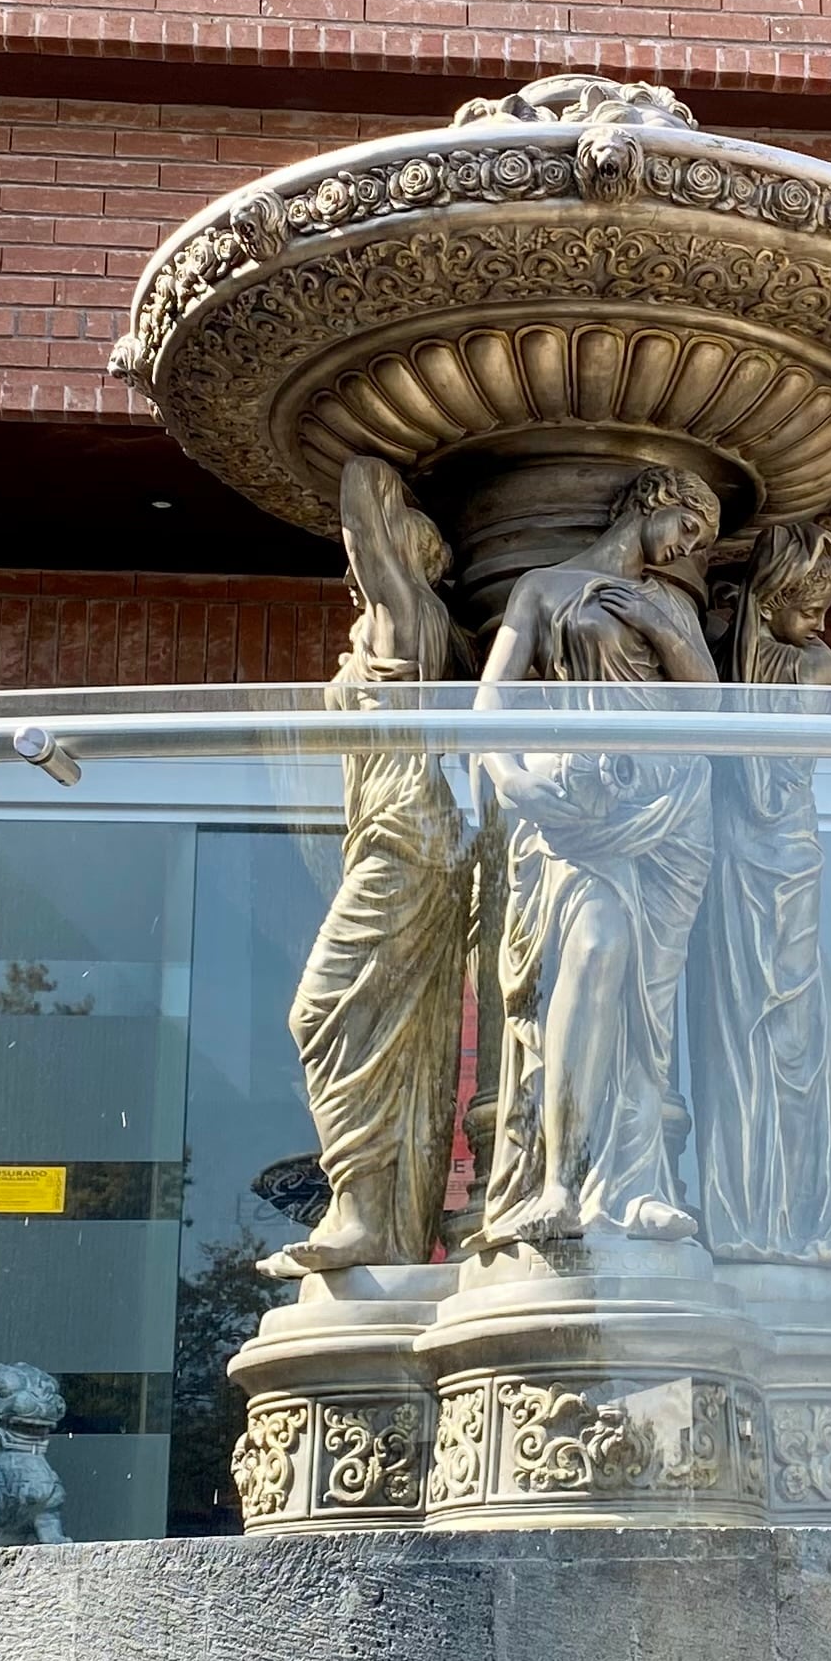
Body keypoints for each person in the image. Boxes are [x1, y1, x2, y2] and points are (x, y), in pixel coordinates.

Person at [471, 461, 724, 1249]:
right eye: (687, 524)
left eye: (702, 540)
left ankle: (638, 1184)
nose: (688, 545)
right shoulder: (544, 590)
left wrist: (652, 621)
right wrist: (510, 782)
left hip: (669, 814)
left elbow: (710, 699)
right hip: (579, 813)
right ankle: (559, 1179)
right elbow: (489, 701)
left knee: (649, 1006)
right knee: (594, 954)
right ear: (653, 501)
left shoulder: (667, 603)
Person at [269, 456, 473, 1275]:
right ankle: (378, 1217)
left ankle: (362, 1206)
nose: (357, 578)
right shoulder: (388, 631)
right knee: (393, 1033)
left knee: (322, 1013)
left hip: (407, 844)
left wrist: (363, 459)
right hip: (395, 841)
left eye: (371, 561)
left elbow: (358, 492)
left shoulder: (410, 620)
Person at [694, 521, 831, 1269]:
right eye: (809, 603)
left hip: (785, 857)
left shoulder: (804, 666)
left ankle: (797, 1214)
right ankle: (762, 1220)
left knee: (820, 1042)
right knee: (760, 1039)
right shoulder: (769, 671)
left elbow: (762, 778)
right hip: (754, 862)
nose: (823, 623)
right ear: (770, 604)